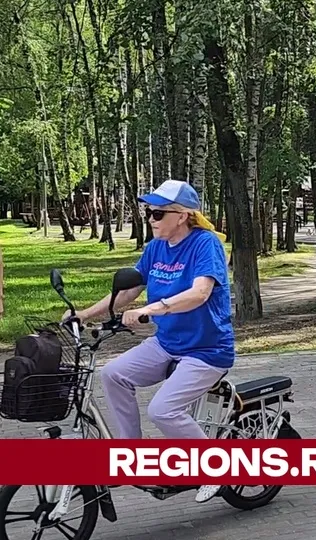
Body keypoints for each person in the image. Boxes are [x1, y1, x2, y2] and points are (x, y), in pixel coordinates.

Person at [65, 180, 233, 504]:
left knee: (163, 409)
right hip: (168, 342)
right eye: (148, 212)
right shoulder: (156, 247)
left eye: (157, 212)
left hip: (208, 350)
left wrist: (152, 309)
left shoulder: (205, 244)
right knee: (112, 374)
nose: (151, 219)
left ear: (182, 215)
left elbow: (200, 293)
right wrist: (83, 314)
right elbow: (129, 291)